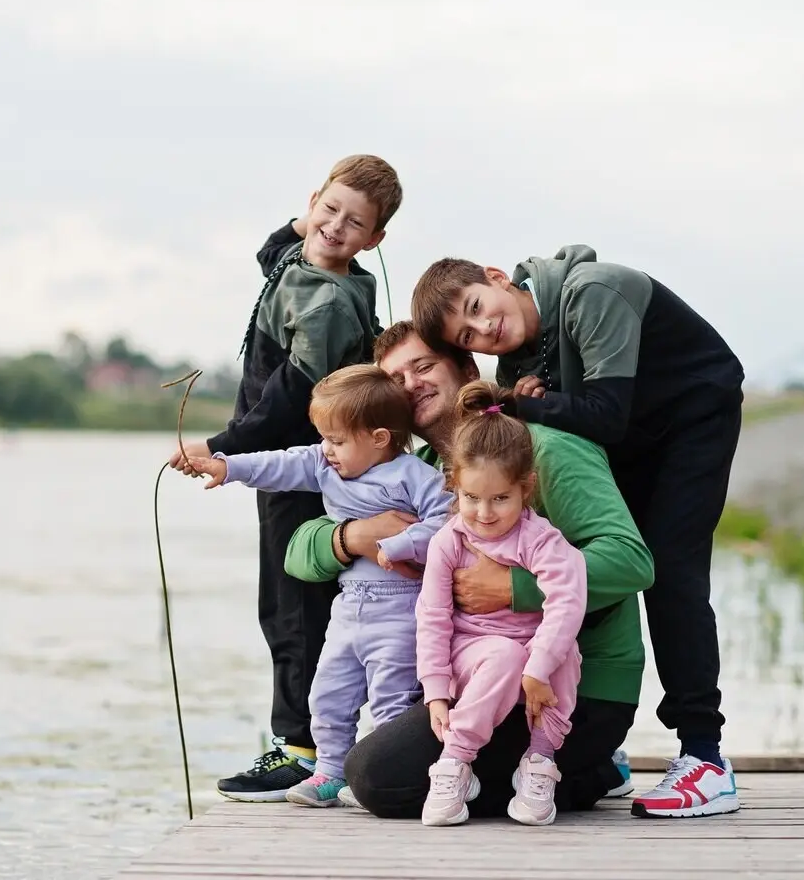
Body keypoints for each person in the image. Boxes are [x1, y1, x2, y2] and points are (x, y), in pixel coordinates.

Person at [411, 247, 745, 817]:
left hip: (694, 416)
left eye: (476, 306)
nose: (484, 328)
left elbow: (605, 414)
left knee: (667, 569)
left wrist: (528, 405)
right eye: (468, 336)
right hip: (633, 439)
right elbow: (545, 424)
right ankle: (601, 747)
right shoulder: (519, 361)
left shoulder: (592, 291)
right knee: (585, 543)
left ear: (496, 278)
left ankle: (705, 757)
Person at [284, 321, 654, 819]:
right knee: (372, 763)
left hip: (572, 681)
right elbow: (298, 556)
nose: (410, 384)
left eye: (423, 366)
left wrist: (512, 587)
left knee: (378, 778)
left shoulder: (544, 449)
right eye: (395, 378)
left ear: (465, 368)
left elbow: (632, 560)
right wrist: (349, 537)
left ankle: (579, 768)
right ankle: (544, 771)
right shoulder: (419, 470)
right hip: (472, 669)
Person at [168, 155, 402, 801]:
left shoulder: (326, 303)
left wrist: (221, 448)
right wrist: (310, 221)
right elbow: (275, 245)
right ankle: (317, 739)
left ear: (374, 240)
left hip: (304, 467)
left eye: (354, 223)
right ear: (312, 203)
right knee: (290, 604)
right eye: (328, 210)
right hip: (292, 464)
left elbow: (289, 399)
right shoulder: (300, 260)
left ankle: (301, 747)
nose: (334, 227)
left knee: (293, 609)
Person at [187, 364, 453, 807]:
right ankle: (330, 771)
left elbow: (446, 526)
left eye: (337, 439)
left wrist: (400, 542)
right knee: (326, 692)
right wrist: (227, 466)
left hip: (401, 610)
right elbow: (278, 463)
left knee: (393, 698)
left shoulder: (413, 476)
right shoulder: (324, 465)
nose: (326, 449)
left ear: (380, 438)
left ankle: (391, 774)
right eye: (324, 437)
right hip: (348, 607)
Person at [416, 380, 587, 827]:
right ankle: (455, 760)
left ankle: (539, 761)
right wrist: (436, 692)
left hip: (535, 657)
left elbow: (567, 601)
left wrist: (539, 667)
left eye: (500, 499)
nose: (485, 513)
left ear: (526, 488)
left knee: (564, 651)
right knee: (504, 654)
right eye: (471, 498)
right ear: (454, 485)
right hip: (474, 653)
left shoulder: (541, 540)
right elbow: (432, 619)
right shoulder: (447, 542)